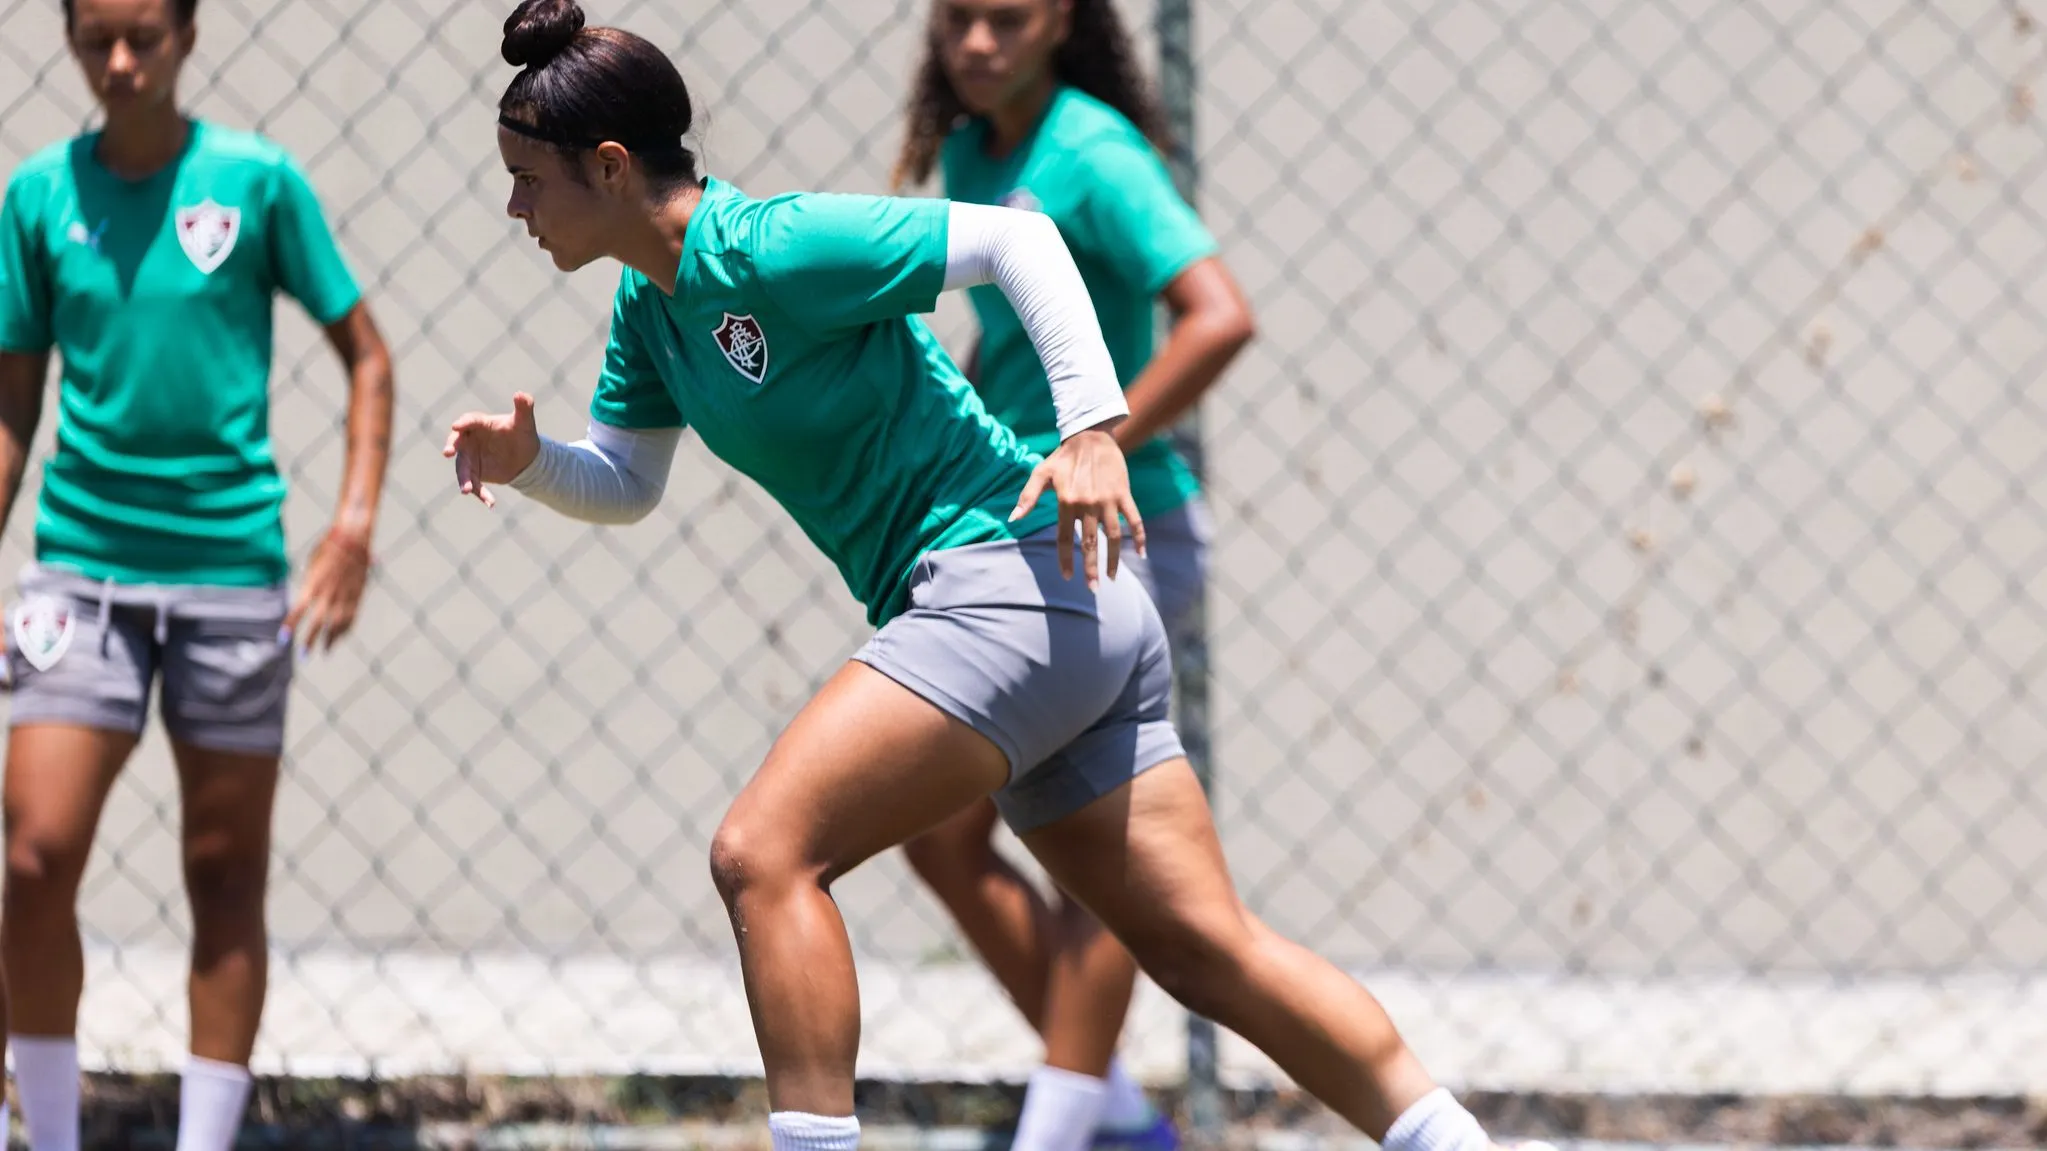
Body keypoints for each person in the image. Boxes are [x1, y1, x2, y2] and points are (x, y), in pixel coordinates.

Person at [447, 6, 1538, 1151]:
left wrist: (1089, 428)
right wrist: (532, 466)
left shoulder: (770, 243)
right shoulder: (649, 309)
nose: (515, 208)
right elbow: (625, 478)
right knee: (1201, 948)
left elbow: (1019, 245)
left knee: (763, 853)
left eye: (527, 179)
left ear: (610, 168)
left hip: (1005, 575)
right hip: (1059, 603)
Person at [0, 0, 394, 1145]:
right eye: (94, 40)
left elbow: (367, 356)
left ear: (186, 35)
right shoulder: (38, 197)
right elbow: (13, 405)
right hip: (82, 573)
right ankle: (54, 1131)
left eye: (143, 37)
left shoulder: (255, 181)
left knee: (224, 874)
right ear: (71, 42)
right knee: (34, 853)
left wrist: (350, 528)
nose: (119, 63)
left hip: (230, 574)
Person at [890, 2, 1254, 1147]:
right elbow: (1004, 347)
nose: (978, 42)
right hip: (1011, 540)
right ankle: (1112, 1113)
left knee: (1096, 852)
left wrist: (1095, 440)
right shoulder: (971, 151)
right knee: (942, 834)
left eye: (1007, 19)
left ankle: (1059, 1126)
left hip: (1123, 539)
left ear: (1060, 23)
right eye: (959, 18)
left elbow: (1218, 314)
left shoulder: (1094, 151)